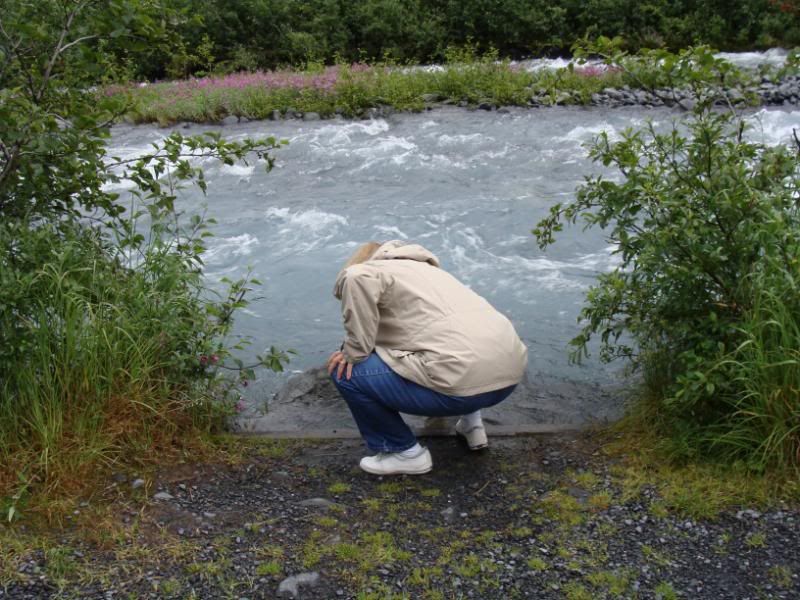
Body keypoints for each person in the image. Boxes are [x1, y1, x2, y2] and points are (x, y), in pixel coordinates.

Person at [326, 240, 528, 475]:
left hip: (461, 389)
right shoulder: (433, 274)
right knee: (455, 350)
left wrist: (351, 353)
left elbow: (356, 278)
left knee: (348, 373)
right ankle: (472, 426)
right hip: (507, 382)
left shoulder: (367, 271)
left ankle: (405, 453)